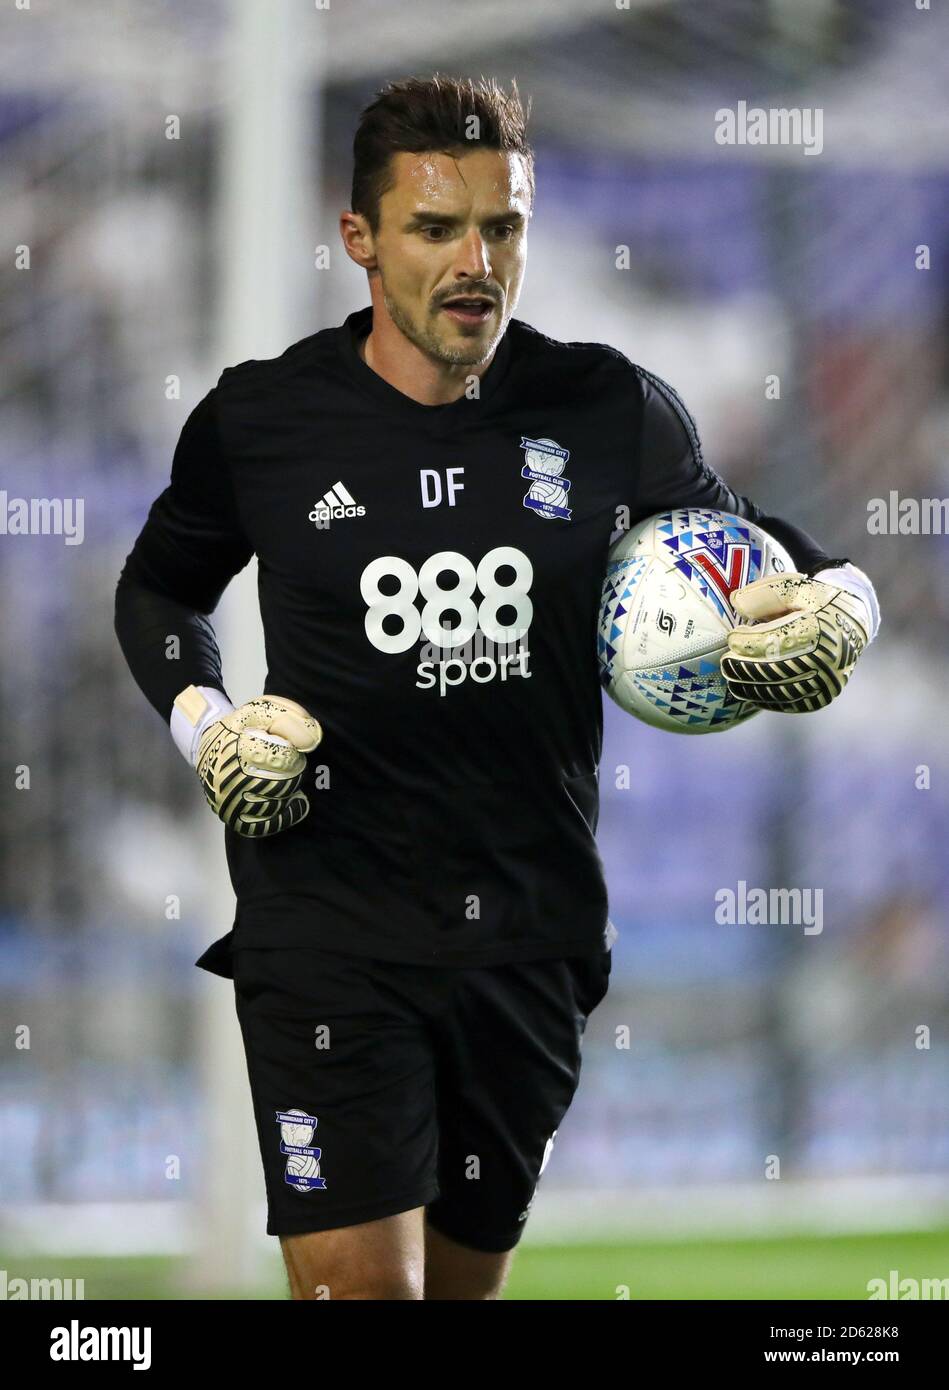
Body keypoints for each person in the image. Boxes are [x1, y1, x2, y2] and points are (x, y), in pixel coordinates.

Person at [114, 73, 880, 1300]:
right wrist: (206, 726)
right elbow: (157, 593)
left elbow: (765, 552)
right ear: (359, 238)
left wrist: (843, 601)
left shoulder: (604, 407)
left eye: (502, 226)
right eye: (434, 228)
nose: (475, 261)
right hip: (330, 934)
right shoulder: (263, 419)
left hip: (529, 936)